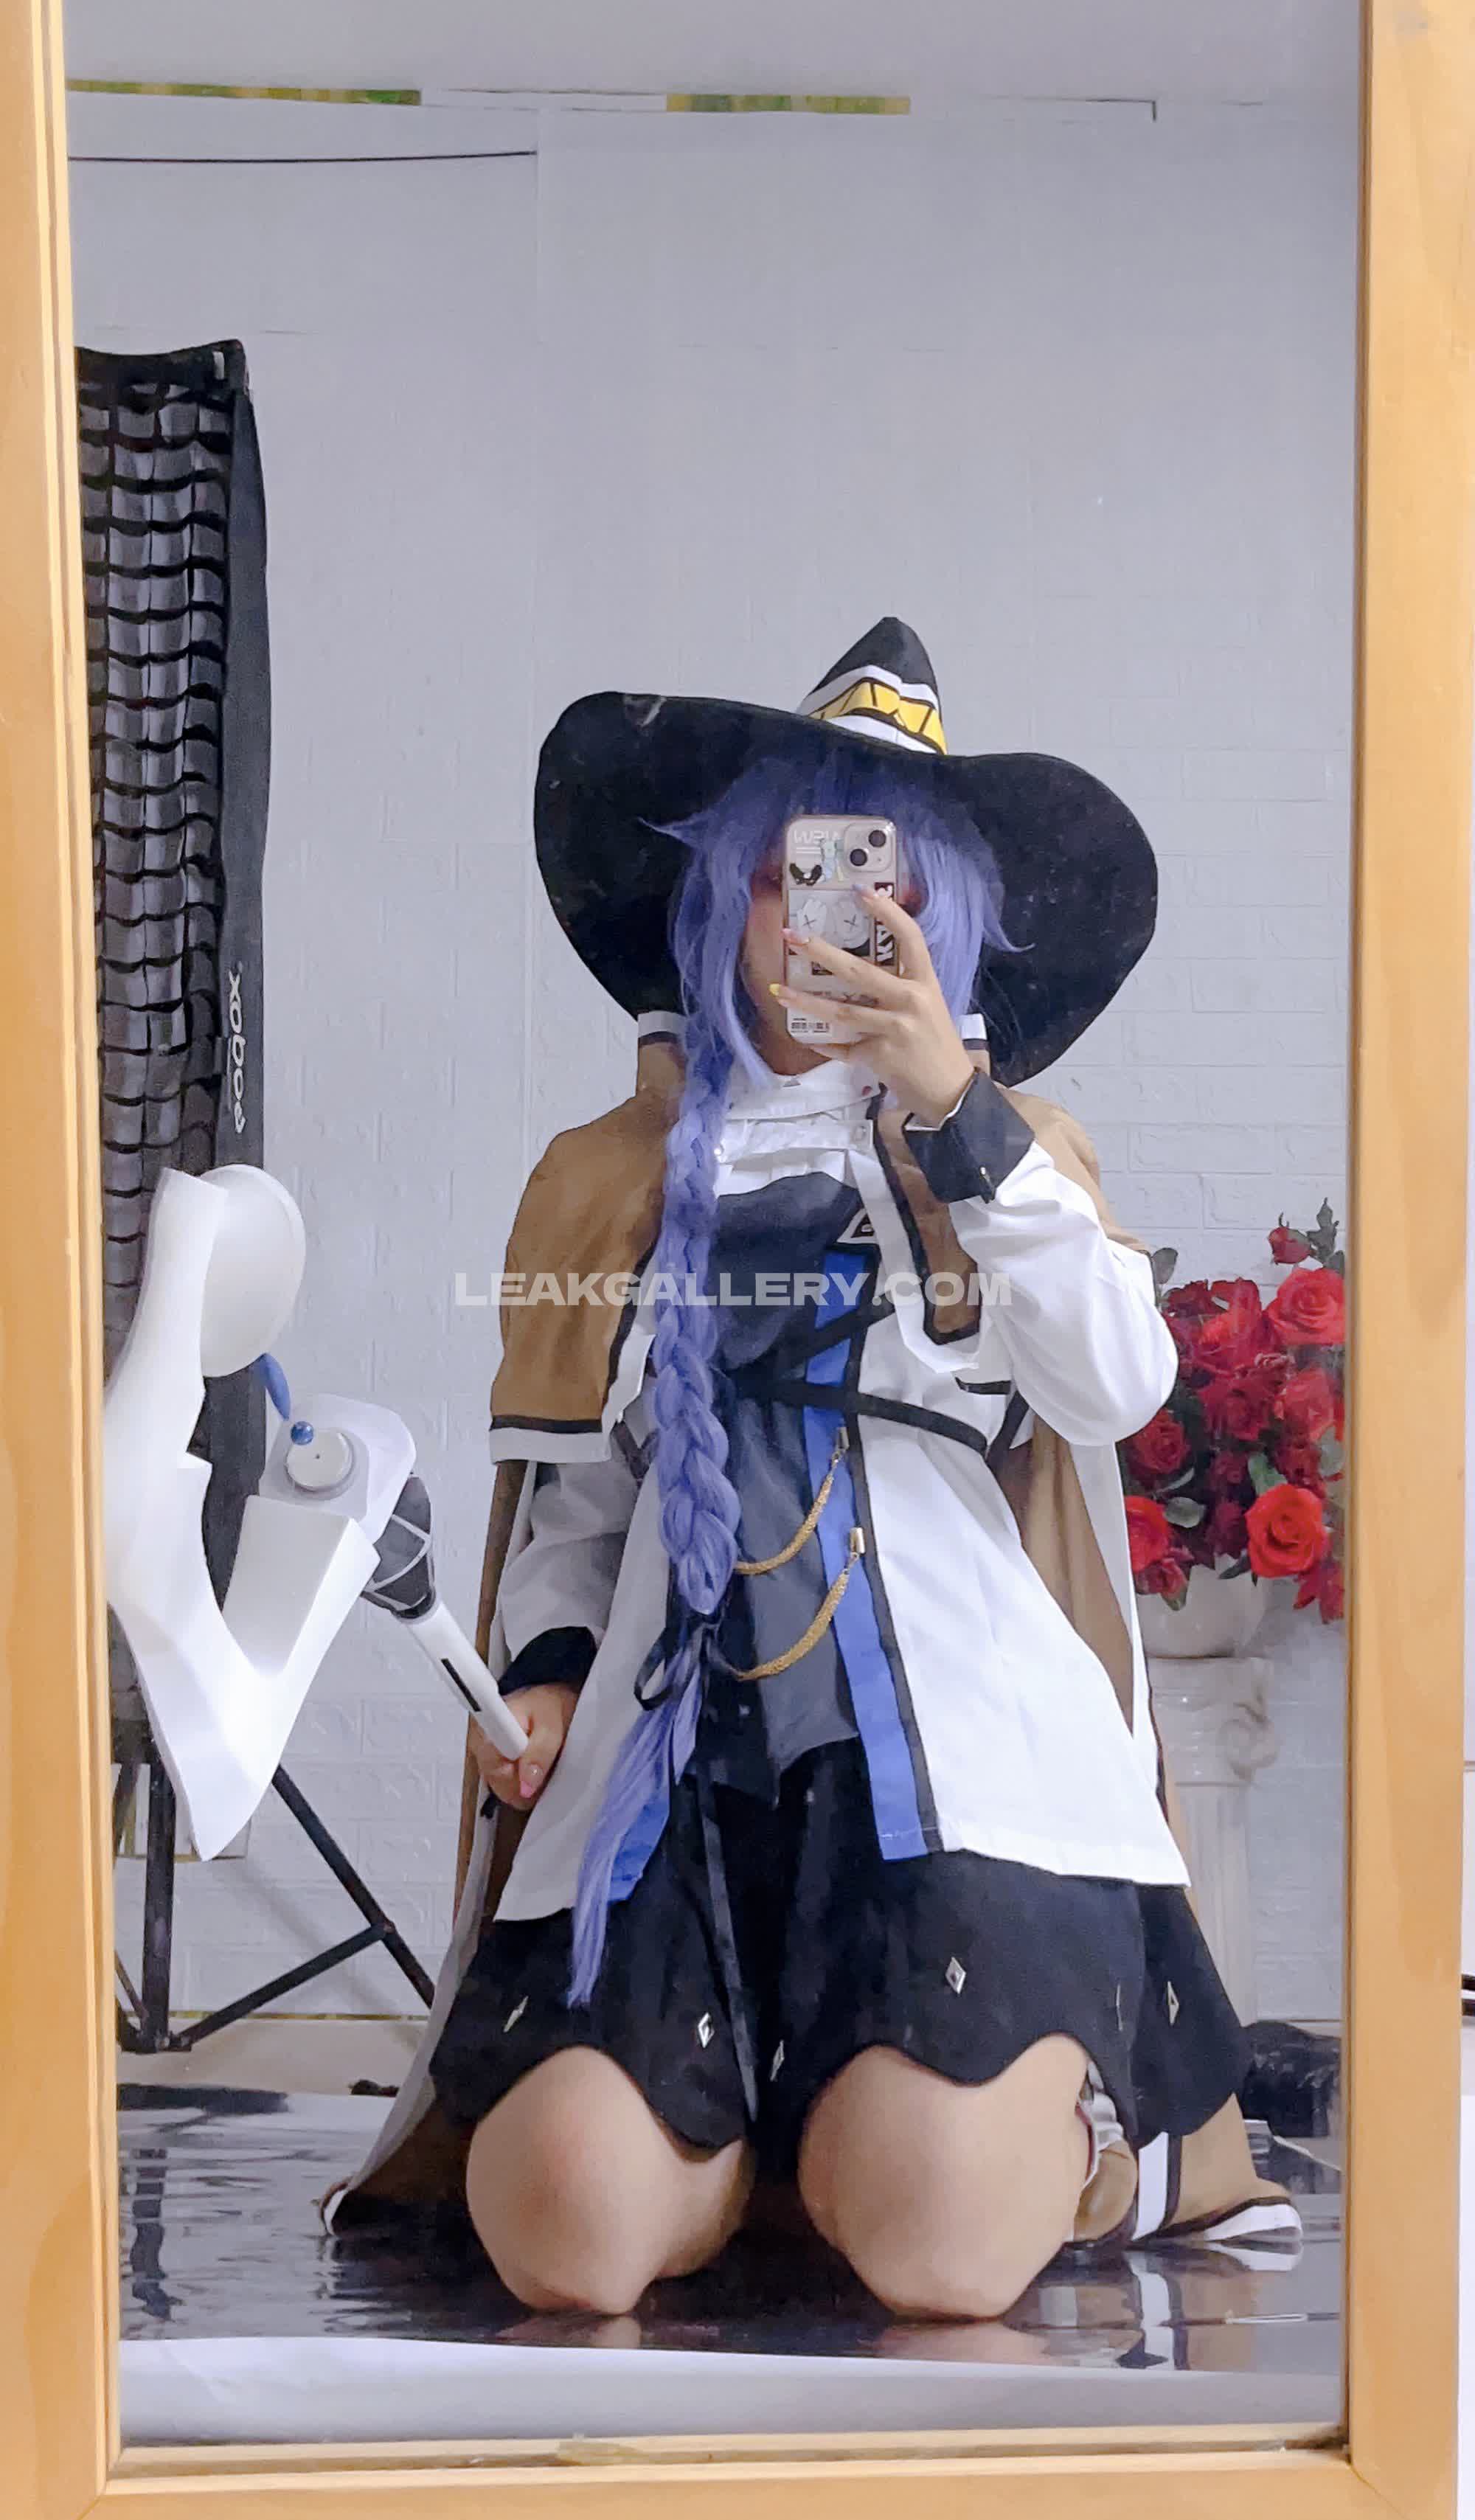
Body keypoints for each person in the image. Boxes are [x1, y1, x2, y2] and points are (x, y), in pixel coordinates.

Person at [333, 620, 1299, 2314]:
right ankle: (743, 2155)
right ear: (727, 900)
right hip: (671, 1774)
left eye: (885, 880)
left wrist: (957, 1115)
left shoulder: (1013, 1155)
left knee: (941, 2243)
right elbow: (580, 1496)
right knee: (567, 2233)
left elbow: (1114, 1384)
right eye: (796, 871)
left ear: (945, 920)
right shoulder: (614, 1174)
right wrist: (547, 1672)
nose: (837, 913)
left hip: (953, 1779)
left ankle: (942, 2138)